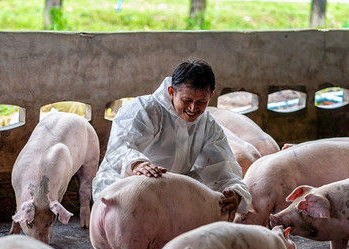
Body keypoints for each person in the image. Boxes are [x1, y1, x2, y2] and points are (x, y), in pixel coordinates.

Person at [92, 58, 251, 219]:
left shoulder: (208, 125)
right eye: (187, 100)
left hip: (171, 190)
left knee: (215, 194)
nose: (192, 108)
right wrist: (137, 164)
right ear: (171, 92)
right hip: (127, 183)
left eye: (201, 102)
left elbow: (222, 167)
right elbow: (119, 147)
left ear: (211, 96)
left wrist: (235, 193)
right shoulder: (144, 110)